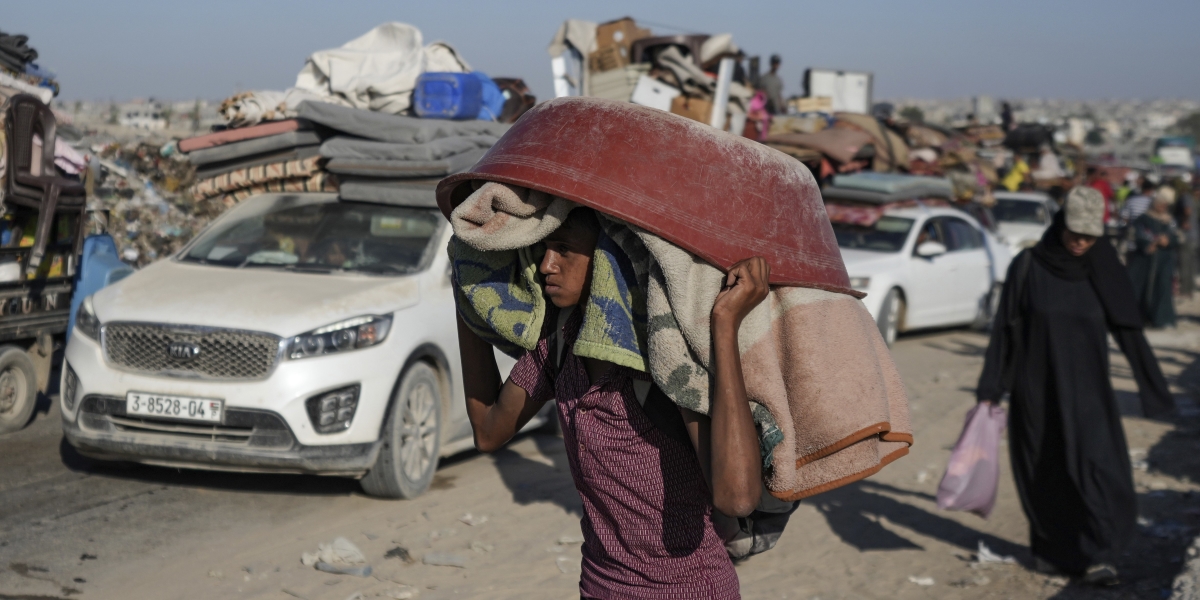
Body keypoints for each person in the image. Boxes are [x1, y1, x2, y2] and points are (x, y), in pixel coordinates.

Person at [456, 207, 766, 598]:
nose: (546, 265)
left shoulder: (663, 361)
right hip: (599, 585)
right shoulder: (559, 345)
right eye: (544, 249)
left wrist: (725, 324)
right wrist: (466, 290)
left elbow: (736, 497)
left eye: (565, 249)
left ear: (607, 255)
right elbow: (487, 430)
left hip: (688, 588)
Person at [977, 186, 1173, 586]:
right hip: (1037, 390)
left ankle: (1103, 554)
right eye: (1074, 231)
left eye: (1090, 234)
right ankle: (1055, 553)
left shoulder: (1102, 268)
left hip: (1088, 393)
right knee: (1045, 471)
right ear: (1060, 223)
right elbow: (1005, 330)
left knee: (1099, 468)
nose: (1081, 241)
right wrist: (991, 389)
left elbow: (1130, 332)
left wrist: (1154, 392)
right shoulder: (1028, 265)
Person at [1127, 186, 1182, 328]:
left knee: (1162, 289)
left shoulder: (1169, 221)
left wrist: (1168, 240)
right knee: (1142, 288)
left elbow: (1177, 237)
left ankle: (1161, 319)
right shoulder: (1143, 218)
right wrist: (1149, 243)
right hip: (1145, 260)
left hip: (1164, 261)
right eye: (1161, 204)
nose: (1163, 207)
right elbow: (1136, 235)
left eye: (1166, 205)